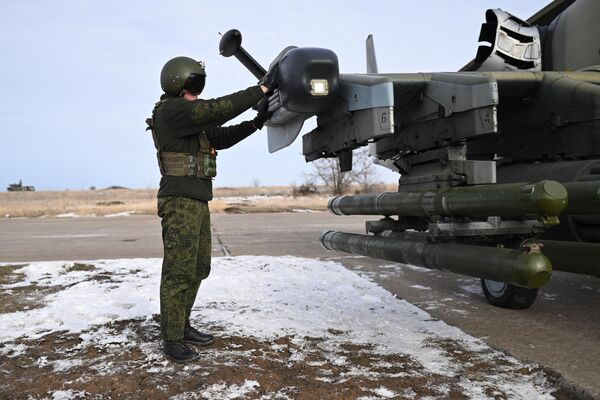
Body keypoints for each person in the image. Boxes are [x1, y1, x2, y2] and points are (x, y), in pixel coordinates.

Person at [147, 56, 276, 363]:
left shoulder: (193, 122)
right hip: (179, 201)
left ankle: (182, 324)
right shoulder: (172, 110)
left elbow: (222, 135)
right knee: (179, 270)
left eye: (199, 85)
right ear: (178, 84)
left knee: (197, 267)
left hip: (196, 200)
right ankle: (172, 338)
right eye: (193, 85)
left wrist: (256, 123)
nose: (197, 92)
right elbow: (218, 108)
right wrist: (261, 89)